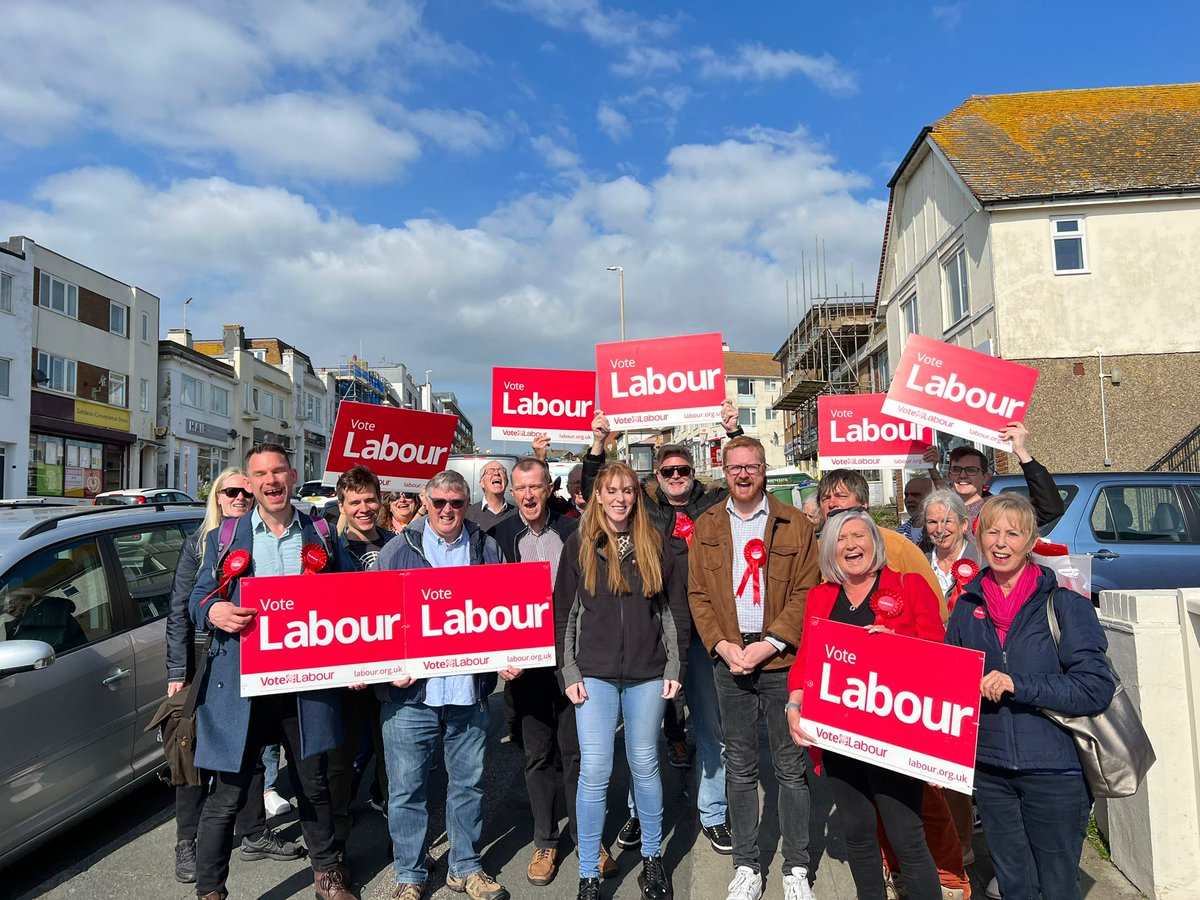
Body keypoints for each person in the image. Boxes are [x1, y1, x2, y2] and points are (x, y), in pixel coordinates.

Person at [189, 444, 354, 900]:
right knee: (227, 794)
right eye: (260, 474)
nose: (271, 481)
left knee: (313, 784)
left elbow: (349, 597)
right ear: (250, 481)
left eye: (278, 471)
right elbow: (196, 598)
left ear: (293, 475)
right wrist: (213, 610)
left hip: (303, 685)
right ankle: (210, 891)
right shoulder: (226, 536)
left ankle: (328, 876)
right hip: (242, 686)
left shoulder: (321, 532)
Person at [945, 494, 1115, 900]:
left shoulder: (1065, 604)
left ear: (1031, 542)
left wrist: (1017, 683)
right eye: (992, 532)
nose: (1001, 543)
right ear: (979, 539)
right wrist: (888, 646)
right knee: (1013, 886)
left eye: (1013, 533)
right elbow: (949, 681)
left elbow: (1095, 688)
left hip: (1055, 771)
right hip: (992, 773)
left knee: (1057, 886)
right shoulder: (967, 606)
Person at [587, 408, 739, 856]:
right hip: (656, 633)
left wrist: (733, 430)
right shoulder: (645, 509)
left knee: (711, 728)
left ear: (693, 473)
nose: (676, 476)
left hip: (708, 632)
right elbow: (599, 491)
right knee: (644, 737)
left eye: (683, 470)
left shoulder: (714, 505)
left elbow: (746, 478)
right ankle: (640, 813)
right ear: (656, 476)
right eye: (668, 471)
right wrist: (598, 445)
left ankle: (713, 812)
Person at [786, 509, 945, 900]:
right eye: (841, 538)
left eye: (859, 535)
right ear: (830, 549)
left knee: (906, 836)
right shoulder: (820, 597)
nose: (850, 545)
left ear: (875, 542)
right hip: (839, 734)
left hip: (895, 734)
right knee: (857, 832)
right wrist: (794, 703)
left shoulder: (909, 586)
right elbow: (807, 659)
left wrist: (898, 646)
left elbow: (941, 656)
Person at [688, 436, 819, 900]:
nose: (743, 474)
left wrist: (769, 645)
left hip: (780, 660)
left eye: (752, 467)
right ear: (724, 472)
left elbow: (807, 591)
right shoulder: (707, 524)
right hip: (730, 662)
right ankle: (746, 865)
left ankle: (796, 868)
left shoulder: (794, 524)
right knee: (740, 767)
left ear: (764, 470)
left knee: (790, 767)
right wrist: (723, 646)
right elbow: (698, 594)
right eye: (735, 467)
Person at [372, 470, 509, 900]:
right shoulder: (397, 550)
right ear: (425, 503)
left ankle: (464, 867)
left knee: (468, 787)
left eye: (456, 503)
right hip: (411, 698)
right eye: (439, 502)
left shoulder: (487, 548)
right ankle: (410, 875)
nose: (448, 510)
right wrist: (386, 668)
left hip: (468, 693)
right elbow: (373, 618)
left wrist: (512, 655)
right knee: (406, 792)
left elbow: (507, 605)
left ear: (467, 505)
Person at [555, 461, 689, 900]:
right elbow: (564, 614)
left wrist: (675, 667)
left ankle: (651, 858)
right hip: (592, 674)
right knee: (594, 771)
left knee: (645, 765)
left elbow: (672, 611)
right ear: (597, 496)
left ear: (636, 497)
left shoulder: (656, 544)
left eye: (627, 491)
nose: (619, 498)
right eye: (611, 490)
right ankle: (588, 873)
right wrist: (568, 671)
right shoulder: (578, 544)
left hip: (648, 673)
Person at [165, 468, 303, 883]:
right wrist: (178, 671)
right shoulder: (202, 543)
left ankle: (255, 831)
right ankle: (187, 843)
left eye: (246, 492)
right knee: (197, 754)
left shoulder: (255, 537)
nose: (240, 498)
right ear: (217, 497)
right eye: (231, 492)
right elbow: (181, 610)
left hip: (248, 661)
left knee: (248, 750)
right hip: (204, 661)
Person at [490, 458, 616, 885]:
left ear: (549, 489)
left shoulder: (573, 530)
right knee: (538, 754)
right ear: (512, 493)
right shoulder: (498, 537)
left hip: (572, 660)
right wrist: (498, 655)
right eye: (521, 488)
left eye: (536, 486)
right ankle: (545, 840)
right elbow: (482, 602)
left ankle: (587, 838)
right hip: (525, 666)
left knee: (576, 753)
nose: (528, 495)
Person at [327, 465, 397, 855]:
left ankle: (402, 845)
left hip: (393, 672)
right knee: (340, 765)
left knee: (394, 762)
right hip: (347, 677)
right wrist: (345, 664)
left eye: (370, 499)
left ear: (380, 500)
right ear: (342, 505)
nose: (364, 508)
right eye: (354, 502)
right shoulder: (328, 550)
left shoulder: (398, 544)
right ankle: (335, 851)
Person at [817, 470, 945, 620]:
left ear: (864, 504)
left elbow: (937, 611)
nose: (832, 504)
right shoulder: (815, 549)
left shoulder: (899, 547)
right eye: (825, 498)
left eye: (841, 496)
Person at [936, 422, 1064, 530]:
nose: (962, 475)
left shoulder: (1000, 510)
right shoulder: (939, 511)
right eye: (956, 469)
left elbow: (1049, 509)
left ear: (985, 477)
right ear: (949, 475)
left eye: (971, 470)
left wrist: (1020, 451)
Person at [465, 460, 516, 530]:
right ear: (482, 483)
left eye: (501, 471)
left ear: (507, 482)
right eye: (490, 471)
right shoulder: (467, 514)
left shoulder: (518, 514)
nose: (496, 473)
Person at [897, 475, 934, 547]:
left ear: (930, 497)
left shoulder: (939, 530)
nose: (909, 500)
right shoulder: (900, 532)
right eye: (906, 495)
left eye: (915, 495)